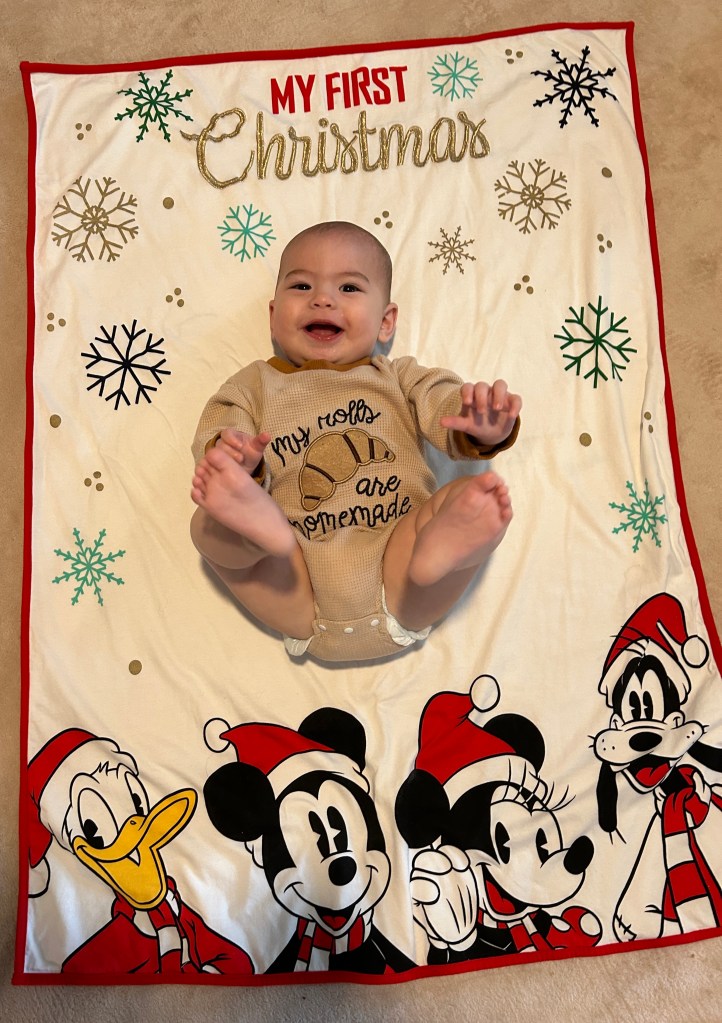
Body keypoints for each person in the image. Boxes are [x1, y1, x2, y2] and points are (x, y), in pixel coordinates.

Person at [190, 221, 521, 663]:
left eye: (348, 287)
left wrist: (478, 424)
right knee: (207, 527)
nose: (322, 299)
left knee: (464, 494)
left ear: (385, 322)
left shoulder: (397, 377)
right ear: (273, 315)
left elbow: (442, 402)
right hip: (296, 583)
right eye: (302, 285)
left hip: (399, 572)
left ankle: (438, 548)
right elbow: (222, 421)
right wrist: (233, 459)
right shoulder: (254, 385)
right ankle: (259, 536)